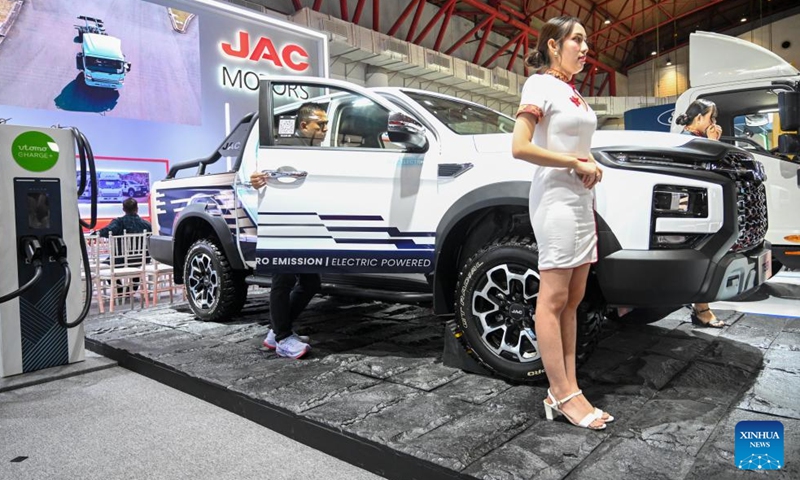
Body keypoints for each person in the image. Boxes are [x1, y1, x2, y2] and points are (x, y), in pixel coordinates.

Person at [511, 16, 612, 430]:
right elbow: (520, 146)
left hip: (580, 199)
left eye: (585, 40)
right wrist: (573, 162)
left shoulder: (574, 93)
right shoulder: (539, 84)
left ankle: (567, 388)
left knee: (572, 300)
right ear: (554, 45)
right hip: (554, 199)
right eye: (577, 40)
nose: (585, 47)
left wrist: (589, 166)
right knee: (552, 300)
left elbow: (576, 147)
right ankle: (563, 392)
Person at [248, 103, 327, 359]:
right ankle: (282, 339)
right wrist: (256, 178)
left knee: (310, 281)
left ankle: (276, 331)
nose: (325, 129)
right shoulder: (285, 148)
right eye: (321, 124)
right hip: (284, 221)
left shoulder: (318, 152)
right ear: (304, 125)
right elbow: (262, 174)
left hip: (305, 223)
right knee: (283, 280)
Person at [675, 99, 726, 328]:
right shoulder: (689, 141)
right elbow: (703, 172)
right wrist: (713, 144)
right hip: (691, 209)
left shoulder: (687, 138)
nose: (714, 123)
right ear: (698, 119)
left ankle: (701, 307)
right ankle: (701, 309)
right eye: (710, 118)